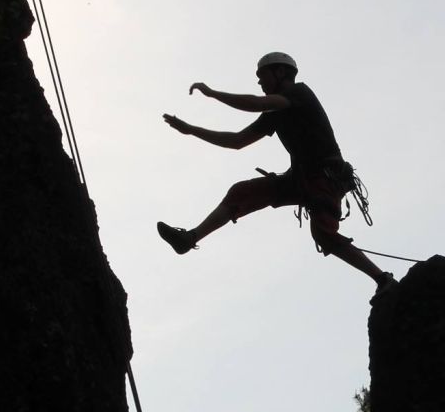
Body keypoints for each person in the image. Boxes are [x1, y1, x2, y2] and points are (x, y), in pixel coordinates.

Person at [156, 51, 396, 296]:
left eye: (262, 76)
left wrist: (212, 94)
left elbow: (256, 103)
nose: (259, 82)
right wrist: (191, 130)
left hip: (326, 176)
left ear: (280, 72)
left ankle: (382, 278)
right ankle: (189, 238)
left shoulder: (298, 93)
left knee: (323, 233)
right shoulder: (277, 111)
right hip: (302, 178)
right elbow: (238, 140)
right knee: (243, 192)